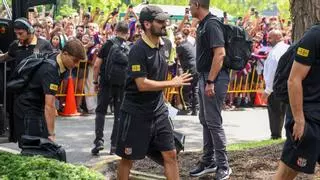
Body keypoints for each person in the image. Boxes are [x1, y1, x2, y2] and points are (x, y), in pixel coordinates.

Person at [116, 5, 192, 180]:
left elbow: (159, 74)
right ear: (147, 24)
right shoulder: (137, 50)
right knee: (128, 158)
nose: (165, 24)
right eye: (160, 21)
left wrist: (164, 99)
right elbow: (141, 84)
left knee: (171, 154)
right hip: (135, 112)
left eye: (165, 20)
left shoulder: (167, 45)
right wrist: (171, 83)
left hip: (158, 112)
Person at [188, 0, 232, 179]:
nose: (188, 8)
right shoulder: (203, 24)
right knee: (205, 120)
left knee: (213, 122)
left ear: (197, 4)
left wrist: (211, 81)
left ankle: (224, 165)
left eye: (190, 4)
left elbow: (220, 54)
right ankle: (208, 161)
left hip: (214, 78)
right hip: (205, 77)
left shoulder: (212, 24)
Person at [13, 39, 86, 143]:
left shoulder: (57, 57)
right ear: (65, 54)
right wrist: (51, 134)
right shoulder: (51, 70)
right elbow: (50, 105)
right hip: (27, 107)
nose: (77, 65)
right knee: (33, 147)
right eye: (75, 60)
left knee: (42, 143)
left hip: (37, 106)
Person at [274, 24, 320, 180]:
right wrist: (299, 120)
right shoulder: (314, 36)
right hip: (308, 117)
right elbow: (294, 80)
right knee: (287, 172)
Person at [0, 18, 53, 142]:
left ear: (29, 31)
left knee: (36, 126)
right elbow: (6, 57)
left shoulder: (44, 45)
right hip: (19, 92)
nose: (18, 36)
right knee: (20, 127)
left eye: (21, 33)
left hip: (37, 93)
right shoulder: (15, 45)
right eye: (16, 34)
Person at [91, 21, 129, 155]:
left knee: (101, 111)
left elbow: (96, 65)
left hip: (106, 83)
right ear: (127, 33)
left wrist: (95, 82)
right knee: (119, 115)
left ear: (115, 30)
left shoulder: (108, 44)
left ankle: (99, 141)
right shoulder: (129, 47)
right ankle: (114, 145)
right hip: (122, 86)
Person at [262, 30, 289, 139]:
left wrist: (268, 90)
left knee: (275, 113)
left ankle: (275, 135)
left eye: (270, 38)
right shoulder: (288, 48)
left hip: (276, 87)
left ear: (277, 38)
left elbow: (272, 71)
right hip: (288, 86)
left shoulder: (275, 52)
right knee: (286, 112)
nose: (268, 40)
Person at [175, 32, 198, 115]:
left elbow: (176, 57)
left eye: (179, 38)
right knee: (195, 88)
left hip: (190, 68)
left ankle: (185, 108)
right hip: (196, 68)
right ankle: (196, 109)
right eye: (176, 39)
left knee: (182, 89)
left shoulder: (180, 46)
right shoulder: (190, 44)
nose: (177, 41)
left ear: (184, 38)